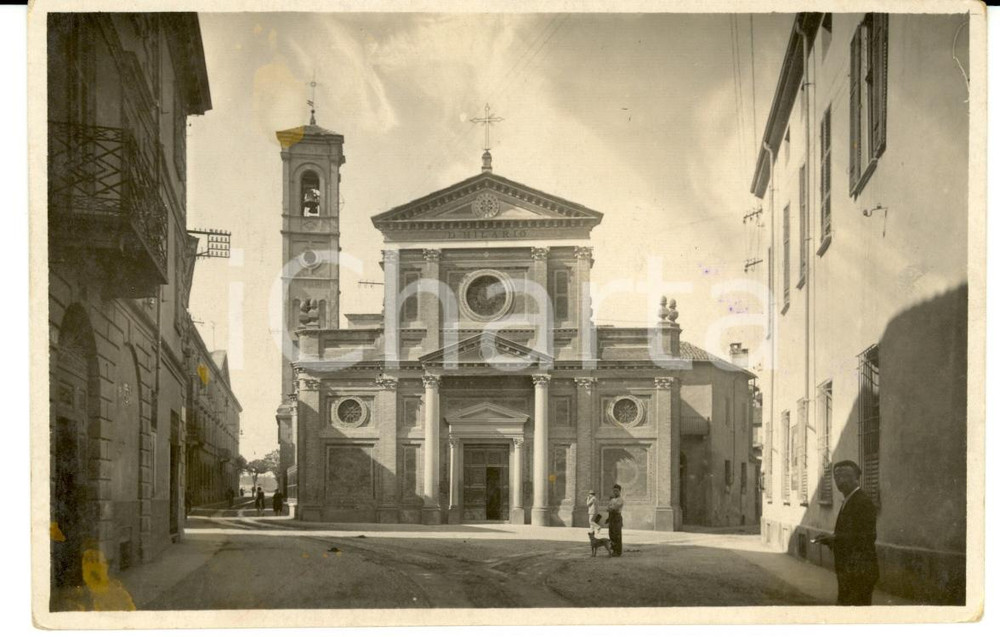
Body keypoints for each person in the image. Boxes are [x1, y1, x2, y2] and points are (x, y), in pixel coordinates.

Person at [814, 460, 879, 605]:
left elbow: (867, 537)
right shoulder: (848, 500)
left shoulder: (863, 501)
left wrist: (835, 539)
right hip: (849, 569)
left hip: (860, 571)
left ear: (855, 478)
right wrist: (831, 539)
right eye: (836, 477)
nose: (839, 481)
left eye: (844, 476)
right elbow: (850, 533)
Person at [607, 484, 625, 557]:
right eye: (614, 491)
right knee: (611, 534)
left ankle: (618, 551)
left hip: (617, 517)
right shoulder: (612, 499)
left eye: (617, 491)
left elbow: (615, 508)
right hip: (611, 517)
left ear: (620, 491)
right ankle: (613, 550)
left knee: (617, 535)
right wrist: (610, 508)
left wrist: (611, 508)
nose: (615, 492)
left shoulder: (620, 500)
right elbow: (608, 508)